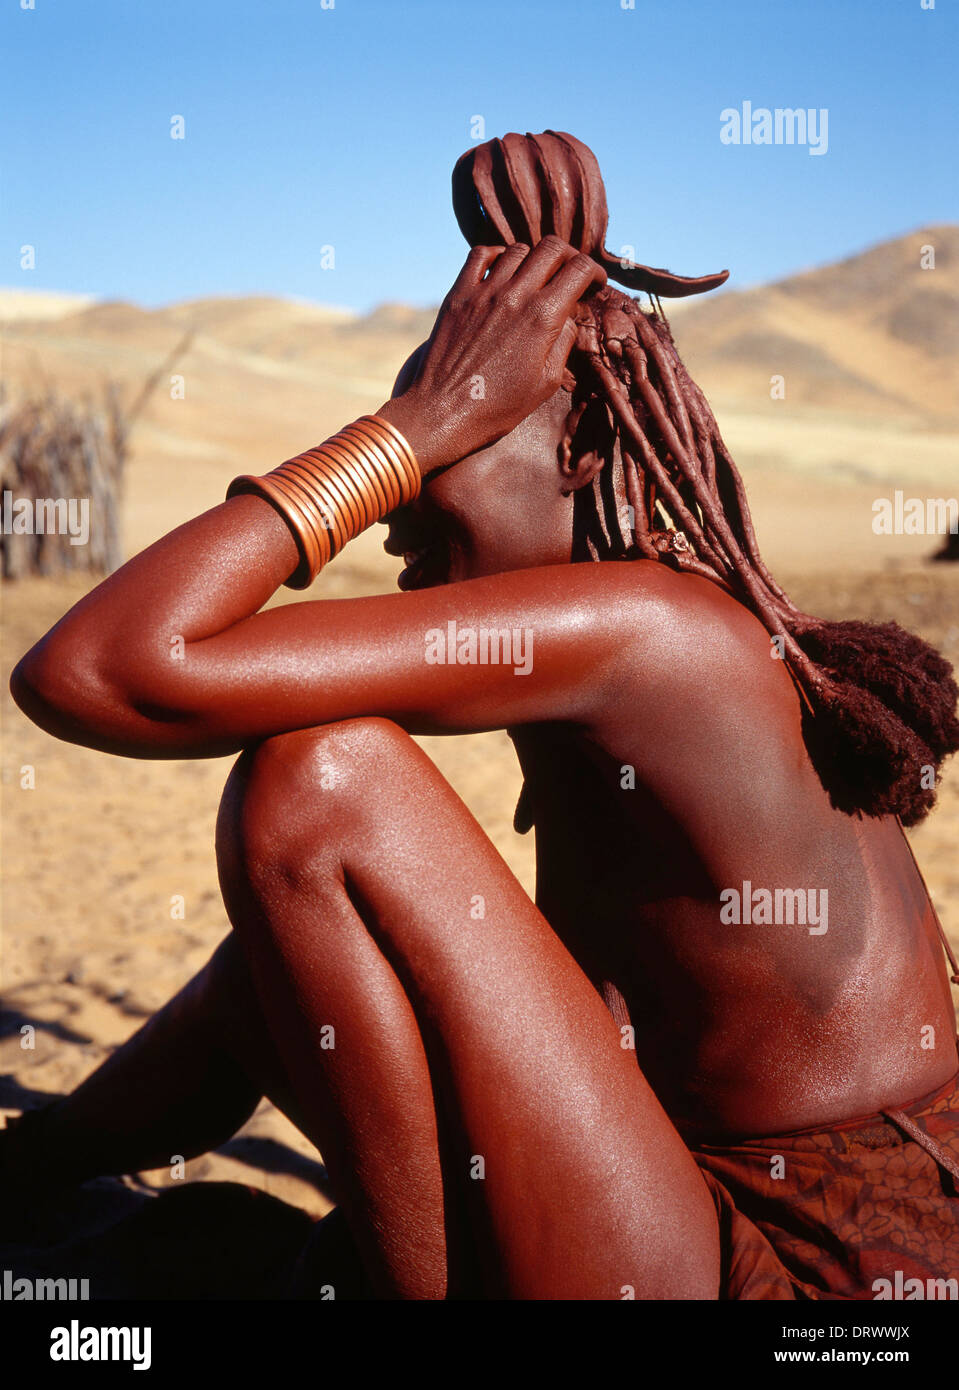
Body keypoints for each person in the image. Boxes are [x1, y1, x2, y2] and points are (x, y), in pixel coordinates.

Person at [5, 132, 959, 1301]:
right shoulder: (659, 629)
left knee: (323, 787)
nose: (394, 515)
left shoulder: (648, 636)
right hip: (692, 1207)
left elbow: (100, 668)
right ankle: (33, 1167)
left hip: (805, 1274)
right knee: (294, 961)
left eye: (458, 446)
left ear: (583, 448)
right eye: (419, 447)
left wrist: (410, 427)